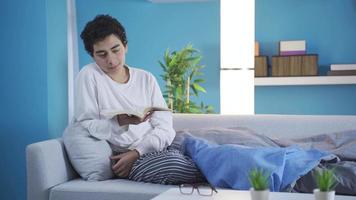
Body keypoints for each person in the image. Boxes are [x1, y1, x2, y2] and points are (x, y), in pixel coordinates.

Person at [71, 14, 204, 184]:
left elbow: (164, 127)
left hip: (154, 146)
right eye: (101, 54)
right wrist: (119, 122)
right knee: (176, 165)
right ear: (92, 55)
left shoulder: (145, 78)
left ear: (125, 46)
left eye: (115, 50)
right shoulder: (89, 75)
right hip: (127, 158)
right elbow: (87, 124)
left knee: (212, 147)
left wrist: (138, 151)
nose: (111, 60)